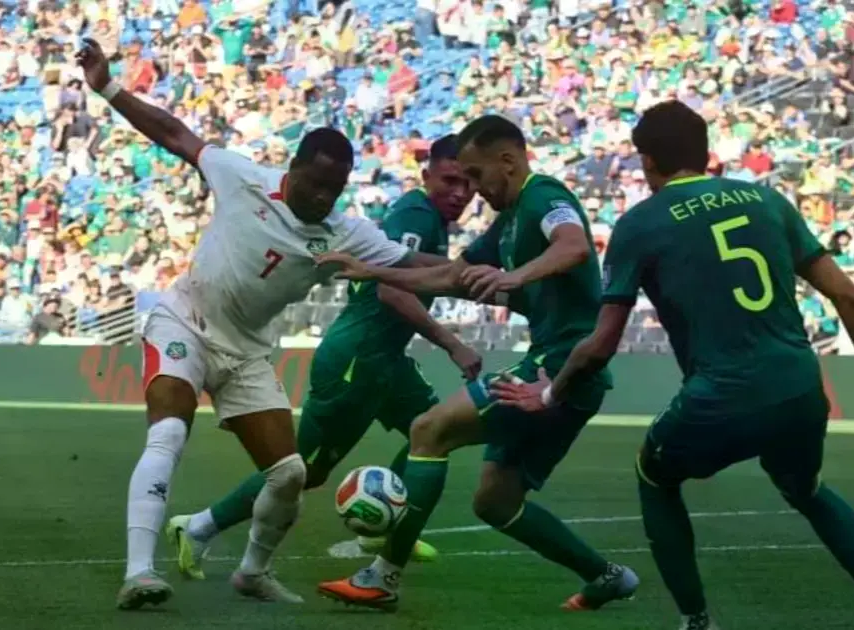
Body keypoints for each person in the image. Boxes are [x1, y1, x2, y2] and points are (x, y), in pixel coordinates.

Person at [491, 101, 854, 630]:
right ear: (705, 153)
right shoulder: (768, 200)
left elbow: (601, 343)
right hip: (798, 386)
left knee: (653, 474)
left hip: (721, 396)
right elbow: (849, 297)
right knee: (805, 487)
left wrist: (548, 395)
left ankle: (697, 622)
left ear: (647, 161)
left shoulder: (639, 224)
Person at [74, 39, 432, 611]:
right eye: (315, 183)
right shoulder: (242, 176)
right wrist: (109, 88)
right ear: (291, 169)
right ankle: (139, 572)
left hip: (245, 354)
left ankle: (251, 573)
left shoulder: (344, 231)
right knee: (168, 435)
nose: (322, 197)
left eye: (334, 190)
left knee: (290, 474)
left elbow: (412, 267)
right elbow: (174, 135)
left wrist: (488, 276)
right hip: (184, 322)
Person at [314, 114, 639, 612]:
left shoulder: (545, 197)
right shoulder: (506, 224)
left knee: (428, 430)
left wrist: (516, 277)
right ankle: (606, 576)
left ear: (507, 161)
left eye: (476, 175)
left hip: (560, 363)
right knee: (495, 502)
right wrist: (370, 270)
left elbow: (574, 246)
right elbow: (449, 278)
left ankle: (382, 579)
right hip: (562, 371)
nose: (472, 189)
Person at [165, 135, 482, 577]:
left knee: (433, 432)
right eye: (451, 180)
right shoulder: (414, 213)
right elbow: (392, 289)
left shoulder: (430, 219)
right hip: (358, 358)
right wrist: (453, 343)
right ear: (426, 174)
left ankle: (386, 530)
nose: (461, 193)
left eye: (469, 184)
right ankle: (199, 526)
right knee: (302, 471)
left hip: (386, 359)